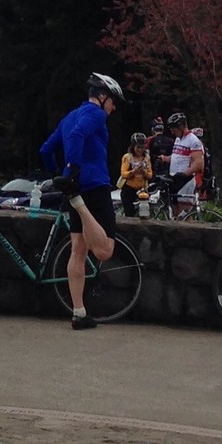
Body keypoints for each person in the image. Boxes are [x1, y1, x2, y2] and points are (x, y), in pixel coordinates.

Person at [39, 71, 123, 330]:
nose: (114, 107)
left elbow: (45, 149)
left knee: (78, 250)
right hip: (93, 187)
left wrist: (60, 175)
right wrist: (73, 169)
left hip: (72, 187)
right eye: (113, 101)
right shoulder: (95, 114)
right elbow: (77, 136)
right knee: (105, 250)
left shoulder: (69, 116)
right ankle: (79, 204)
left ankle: (79, 312)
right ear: (101, 96)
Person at [166, 114, 204, 216]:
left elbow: (198, 163)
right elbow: (177, 156)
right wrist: (165, 159)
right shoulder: (178, 139)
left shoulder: (193, 140)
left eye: (173, 129)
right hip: (174, 178)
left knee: (185, 216)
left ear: (181, 126)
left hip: (185, 181)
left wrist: (185, 173)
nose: (172, 131)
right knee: (175, 215)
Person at [119, 133, 151, 218]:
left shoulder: (147, 158)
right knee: (130, 214)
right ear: (133, 147)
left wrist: (145, 173)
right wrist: (134, 171)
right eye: (138, 147)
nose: (140, 150)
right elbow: (123, 173)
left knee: (144, 214)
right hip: (129, 189)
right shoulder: (127, 157)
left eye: (142, 147)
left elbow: (150, 174)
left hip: (142, 190)